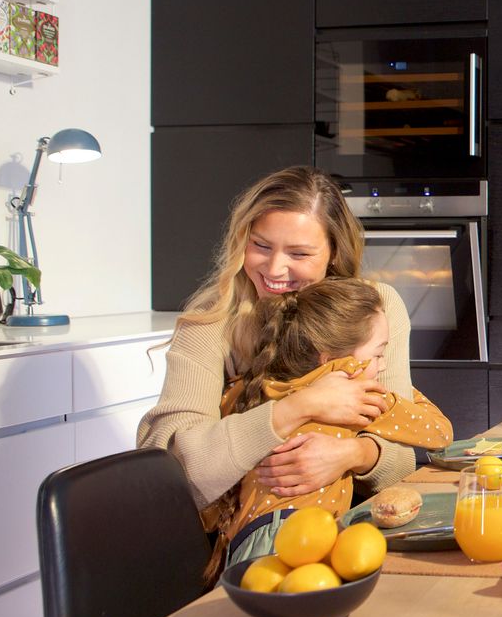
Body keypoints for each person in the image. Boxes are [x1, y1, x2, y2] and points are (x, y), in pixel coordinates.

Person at [138, 166, 440, 511]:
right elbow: (171, 474)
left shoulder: (376, 308)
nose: (275, 268)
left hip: (351, 524)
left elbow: (401, 460)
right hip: (239, 535)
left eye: (299, 254)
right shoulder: (210, 320)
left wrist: (353, 454)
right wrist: (299, 406)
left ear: (333, 255)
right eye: (261, 246)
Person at [203, 277, 453, 575]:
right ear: (334, 361)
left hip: (245, 541)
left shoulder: (252, 387)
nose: (383, 366)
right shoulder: (356, 393)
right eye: (378, 354)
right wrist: (401, 393)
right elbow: (440, 432)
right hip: (304, 538)